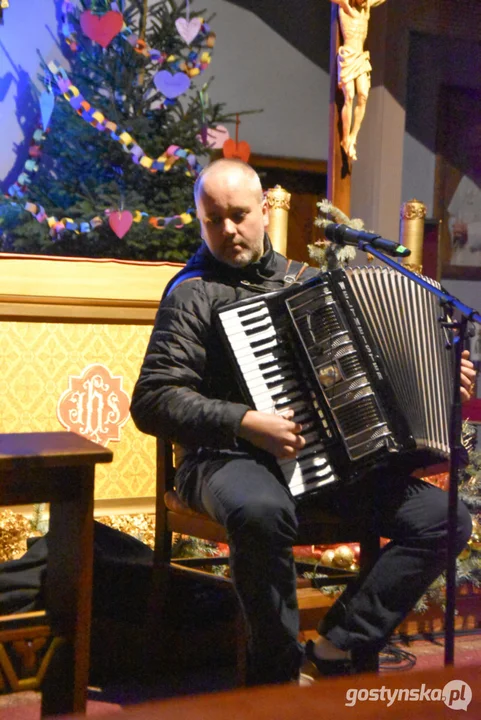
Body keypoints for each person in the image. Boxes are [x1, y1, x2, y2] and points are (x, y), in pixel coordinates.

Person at [131, 158, 476, 686]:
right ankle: (276, 677)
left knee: (444, 517)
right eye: (213, 220)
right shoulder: (192, 293)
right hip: (223, 458)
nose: (228, 230)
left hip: (322, 463)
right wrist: (245, 420)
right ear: (199, 220)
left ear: (264, 211)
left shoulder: (310, 283)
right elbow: (152, 399)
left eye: (239, 215)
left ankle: (340, 643)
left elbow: (363, 375)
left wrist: (444, 375)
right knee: (262, 511)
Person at [330, 0, 387, 161]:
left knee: (363, 95)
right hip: (348, 54)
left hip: (361, 56)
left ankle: (353, 136)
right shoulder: (345, 8)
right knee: (349, 96)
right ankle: (345, 138)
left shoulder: (366, 8)